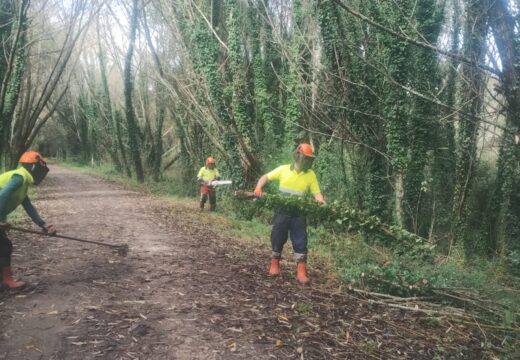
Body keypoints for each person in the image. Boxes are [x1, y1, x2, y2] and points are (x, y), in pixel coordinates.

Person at [254, 143, 325, 284]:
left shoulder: (310, 175)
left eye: (311, 159)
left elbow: (317, 193)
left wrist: (321, 202)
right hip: (282, 209)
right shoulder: (283, 169)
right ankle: (275, 264)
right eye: (307, 158)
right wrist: (258, 188)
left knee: (300, 239)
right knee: (277, 235)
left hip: (299, 212)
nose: (309, 161)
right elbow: (265, 177)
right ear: (299, 156)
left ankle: (301, 271)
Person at [0, 151, 56, 289]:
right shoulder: (19, 178)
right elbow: (2, 195)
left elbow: (28, 207)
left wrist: (44, 225)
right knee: (4, 246)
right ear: (33, 167)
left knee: (3, 246)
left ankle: (4, 281)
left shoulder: (23, 183)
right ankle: (7, 281)